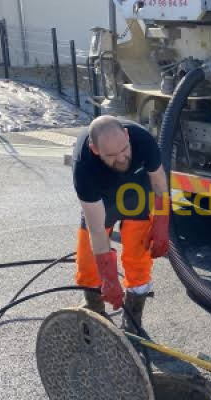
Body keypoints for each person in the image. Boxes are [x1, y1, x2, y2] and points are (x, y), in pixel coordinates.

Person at [71, 115, 170, 333]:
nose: (122, 158)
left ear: (126, 135)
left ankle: (133, 322)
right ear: (95, 150)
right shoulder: (83, 166)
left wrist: (161, 223)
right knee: (89, 261)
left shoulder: (143, 140)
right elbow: (97, 230)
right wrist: (108, 276)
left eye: (124, 149)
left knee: (138, 258)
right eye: (112, 156)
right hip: (102, 201)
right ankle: (96, 313)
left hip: (135, 194)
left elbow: (160, 182)